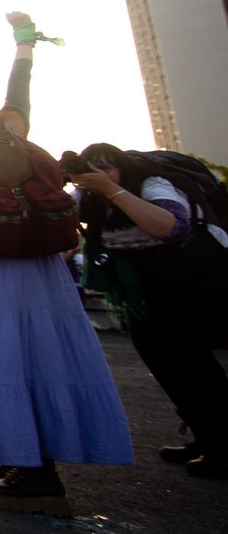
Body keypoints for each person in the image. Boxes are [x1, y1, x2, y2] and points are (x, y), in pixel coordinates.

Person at [0, 12, 132, 517]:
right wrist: (25, 41)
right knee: (44, 352)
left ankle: (23, 465)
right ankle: (46, 457)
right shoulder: (11, 126)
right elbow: (22, 88)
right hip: (37, 261)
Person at [69, 143, 228, 479]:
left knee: (192, 360)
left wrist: (111, 189)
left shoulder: (151, 183)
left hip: (199, 278)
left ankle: (224, 445)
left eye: (108, 166)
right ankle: (205, 436)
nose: (100, 173)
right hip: (147, 290)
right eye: (93, 167)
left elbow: (170, 227)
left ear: (124, 168)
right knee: (160, 358)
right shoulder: (90, 199)